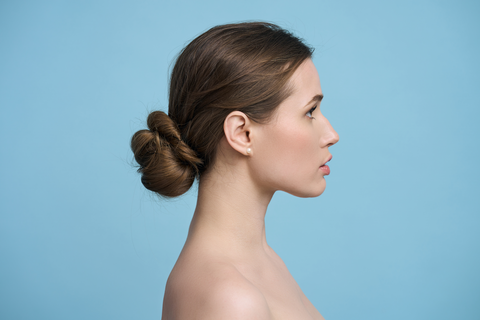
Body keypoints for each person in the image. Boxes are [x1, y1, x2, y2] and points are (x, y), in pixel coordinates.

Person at [131, 22, 339, 320]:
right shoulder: (230, 299)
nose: (331, 134)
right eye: (310, 112)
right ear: (242, 133)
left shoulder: (261, 262)